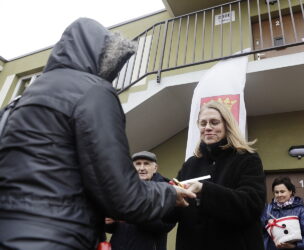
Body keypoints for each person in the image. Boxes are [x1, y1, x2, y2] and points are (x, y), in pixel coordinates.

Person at [0, 18, 195, 249]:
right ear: (98, 54)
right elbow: (123, 195)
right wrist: (169, 194)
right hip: (57, 238)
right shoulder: (93, 91)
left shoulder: (19, 102)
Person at [165, 100, 266, 250]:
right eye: (203, 123)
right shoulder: (191, 164)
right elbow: (173, 215)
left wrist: (204, 191)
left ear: (227, 125)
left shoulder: (247, 158)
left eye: (214, 122)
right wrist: (168, 197)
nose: (208, 128)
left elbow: (251, 205)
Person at [105, 151, 175, 250]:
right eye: (138, 164)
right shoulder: (123, 190)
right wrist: (109, 223)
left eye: (146, 163)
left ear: (155, 168)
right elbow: (116, 229)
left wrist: (132, 216)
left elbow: (165, 225)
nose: (141, 168)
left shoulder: (166, 190)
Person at [261, 177, 304, 249]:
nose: (279, 195)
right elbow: (258, 232)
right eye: (276, 192)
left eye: (282, 191)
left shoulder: (300, 211)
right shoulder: (268, 209)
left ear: (290, 191)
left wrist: (294, 246)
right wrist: (266, 222)